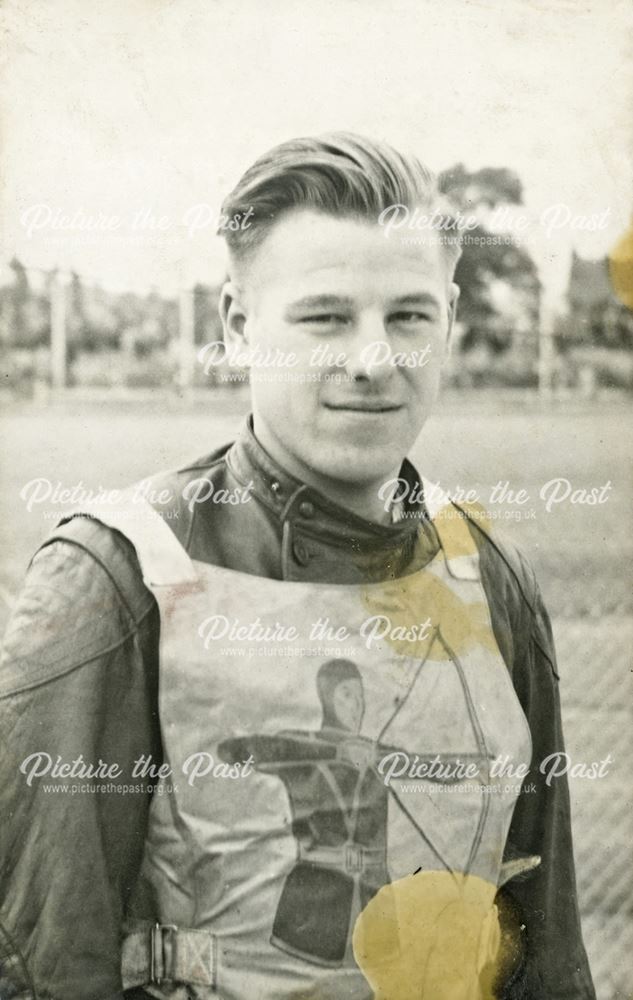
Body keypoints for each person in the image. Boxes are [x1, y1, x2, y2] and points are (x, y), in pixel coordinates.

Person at [0, 133, 595, 1000]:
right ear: (239, 328)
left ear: (450, 322)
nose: (371, 359)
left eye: (408, 316)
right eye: (324, 317)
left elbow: (545, 954)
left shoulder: (491, 575)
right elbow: (40, 964)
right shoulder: (117, 576)